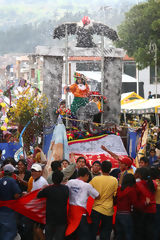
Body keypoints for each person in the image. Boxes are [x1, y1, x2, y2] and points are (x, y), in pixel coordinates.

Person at [66, 167, 99, 240]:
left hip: (70, 212)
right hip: (81, 214)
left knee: (71, 234)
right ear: (86, 175)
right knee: (84, 235)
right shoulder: (87, 186)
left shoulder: (70, 182)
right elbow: (97, 195)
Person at [90, 161, 118, 240]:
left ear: (101, 169)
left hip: (96, 208)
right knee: (106, 231)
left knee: (93, 230)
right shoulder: (114, 180)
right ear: (110, 170)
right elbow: (115, 194)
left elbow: (88, 189)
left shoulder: (95, 179)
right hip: (108, 209)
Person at [37, 170, 69, 240]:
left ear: (52, 179)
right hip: (62, 218)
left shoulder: (48, 189)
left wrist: (42, 188)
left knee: (49, 237)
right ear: (62, 179)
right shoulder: (66, 189)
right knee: (59, 237)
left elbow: (38, 195)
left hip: (50, 218)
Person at [133, 167, 157, 240]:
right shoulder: (153, 183)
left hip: (142, 210)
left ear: (139, 175)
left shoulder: (138, 184)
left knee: (141, 231)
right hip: (152, 209)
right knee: (150, 231)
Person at [0, 164, 21, 240]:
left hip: (1, 211)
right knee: (10, 233)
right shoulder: (12, 181)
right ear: (12, 173)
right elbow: (16, 195)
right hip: (10, 211)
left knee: (2, 232)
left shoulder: (0, 180)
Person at [116, 174, 137, 240]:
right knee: (128, 233)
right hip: (127, 214)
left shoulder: (119, 189)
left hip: (118, 213)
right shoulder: (132, 190)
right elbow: (135, 203)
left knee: (119, 234)